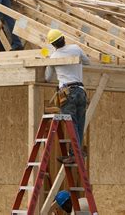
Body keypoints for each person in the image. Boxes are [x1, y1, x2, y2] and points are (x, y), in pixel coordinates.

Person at [44, 29, 90, 164]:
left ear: (53, 45)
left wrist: (47, 62)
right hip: (81, 91)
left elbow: (47, 78)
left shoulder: (54, 57)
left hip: (67, 93)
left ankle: (75, 154)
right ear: (63, 38)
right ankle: (76, 152)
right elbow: (87, 62)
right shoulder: (76, 48)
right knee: (79, 124)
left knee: (72, 124)